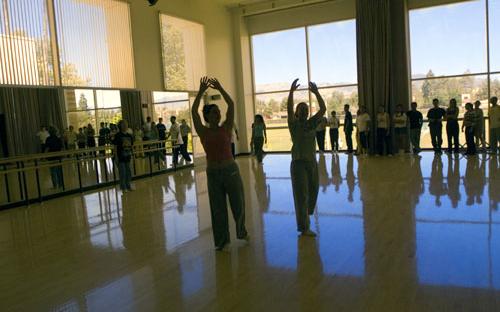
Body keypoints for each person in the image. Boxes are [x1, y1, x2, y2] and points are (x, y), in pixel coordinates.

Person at [191, 76, 248, 250]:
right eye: (213, 112)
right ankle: (222, 241)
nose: (217, 114)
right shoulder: (203, 131)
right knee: (217, 209)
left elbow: (231, 105)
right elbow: (194, 112)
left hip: (230, 170)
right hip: (213, 173)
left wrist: (221, 88)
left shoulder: (226, 127)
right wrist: (201, 92)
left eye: (218, 112)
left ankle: (241, 231)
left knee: (238, 203)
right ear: (207, 116)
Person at [287, 78, 326, 237]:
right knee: (301, 195)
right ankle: (304, 227)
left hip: (311, 162)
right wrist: (291, 93)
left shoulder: (311, 123)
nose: (303, 111)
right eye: (300, 109)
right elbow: (289, 109)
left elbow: (323, 109)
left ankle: (307, 214)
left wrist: (316, 92)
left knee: (314, 190)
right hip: (298, 164)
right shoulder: (293, 124)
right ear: (297, 113)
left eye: (305, 109)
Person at [113, 120, 134, 192]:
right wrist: (116, 157)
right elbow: (115, 147)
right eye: (123, 124)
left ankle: (128, 185)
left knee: (128, 172)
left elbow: (131, 146)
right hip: (120, 157)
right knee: (123, 172)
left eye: (126, 124)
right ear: (120, 126)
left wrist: (132, 155)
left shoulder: (129, 136)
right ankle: (123, 187)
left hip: (128, 156)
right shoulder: (118, 135)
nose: (125, 125)